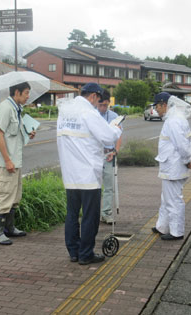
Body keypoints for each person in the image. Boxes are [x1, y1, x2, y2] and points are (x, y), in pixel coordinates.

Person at [57, 83, 122, 265]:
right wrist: (116, 127)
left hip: (70, 174)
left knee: (71, 215)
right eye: (98, 99)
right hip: (88, 175)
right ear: (93, 96)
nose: (98, 103)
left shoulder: (65, 112)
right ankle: (85, 254)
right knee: (89, 216)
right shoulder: (89, 112)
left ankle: (74, 251)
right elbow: (108, 137)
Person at [0, 82, 36, 245]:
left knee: (15, 196)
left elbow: (14, 135)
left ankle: (9, 228)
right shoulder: (5, 108)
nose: (28, 96)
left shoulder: (17, 109)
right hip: (6, 162)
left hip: (15, 161)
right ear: (16, 92)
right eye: (26, 93)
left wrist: (28, 133)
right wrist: (7, 160)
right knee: (5, 195)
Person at [151, 92, 191, 241]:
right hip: (173, 165)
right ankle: (162, 227)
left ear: (164, 105)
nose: (156, 110)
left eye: (156, 106)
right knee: (167, 198)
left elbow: (182, 145)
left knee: (173, 200)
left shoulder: (173, 121)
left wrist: (188, 159)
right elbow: (189, 141)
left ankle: (177, 231)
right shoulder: (178, 118)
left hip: (173, 167)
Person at [97, 90, 122, 224]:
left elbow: (118, 135)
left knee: (109, 186)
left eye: (105, 105)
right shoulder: (91, 115)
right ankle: (93, 213)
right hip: (94, 155)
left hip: (109, 155)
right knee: (93, 187)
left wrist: (115, 151)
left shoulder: (114, 116)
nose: (103, 108)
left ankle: (106, 213)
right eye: (100, 105)